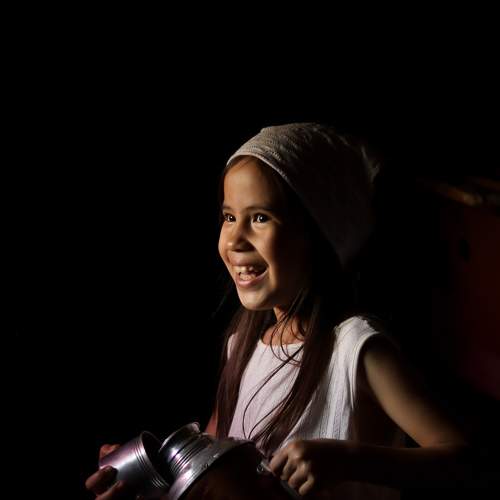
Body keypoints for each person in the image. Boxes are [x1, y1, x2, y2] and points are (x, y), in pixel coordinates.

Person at [86, 123, 485, 499]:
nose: (235, 239)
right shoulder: (241, 346)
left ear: (320, 233)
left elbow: (467, 462)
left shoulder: (356, 349)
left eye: (260, 218)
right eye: (229, 217)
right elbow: (215, 468)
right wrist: (151, 480)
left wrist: (347, 459)